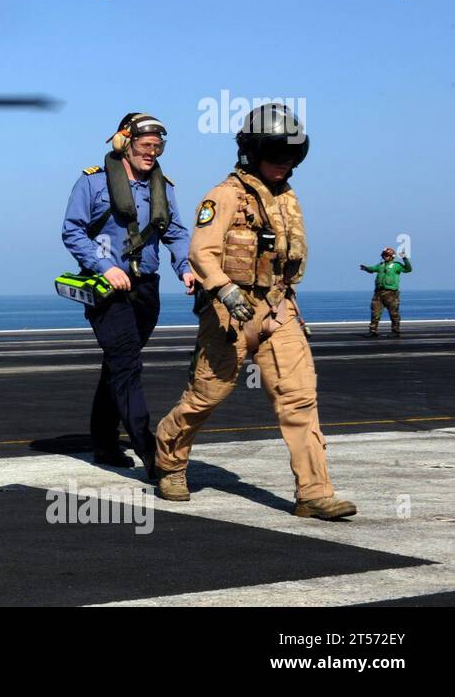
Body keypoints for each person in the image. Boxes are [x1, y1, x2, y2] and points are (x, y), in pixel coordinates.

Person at [154, 103, 356, 520]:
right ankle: (170, 461)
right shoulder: (225, 196)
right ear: (252, 151)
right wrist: (226, 291)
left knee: (299, 400)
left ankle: (314, 493)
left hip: (278, 310)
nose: (283, 164)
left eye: (289, 156)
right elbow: (200, 252)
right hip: (230, 315)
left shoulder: (285, 198)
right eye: (275, 155)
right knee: (205, 397)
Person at [62, 112, 195, 475]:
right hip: (107, 289)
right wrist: (106, 266)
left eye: (158, 146)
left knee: (117, 367)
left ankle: (104, 444)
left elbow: (177, 233)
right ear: (125, 143)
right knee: (127, 366)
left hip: (146, 290)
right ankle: (150, 452)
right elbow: (72, 231)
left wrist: (185, 267)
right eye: (146, 145)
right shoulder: (92, 183)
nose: (152, 152)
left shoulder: (162, 186)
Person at [361, 247, 413, 337]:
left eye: (386, 255)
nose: (385, 257)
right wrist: (366, 268)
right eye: (384, 255)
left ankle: (395, 331)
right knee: (375, 313)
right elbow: (373, 269)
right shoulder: (380, 265)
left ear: (392, 256)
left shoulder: (397, 265)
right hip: (378, 293)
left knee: (394, 313)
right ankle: (373, 331)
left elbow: (408, 269)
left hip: (391, 293)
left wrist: (405, 258)